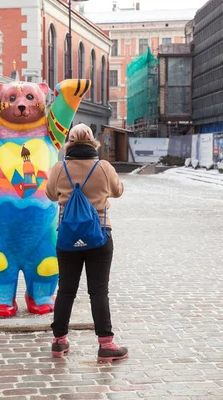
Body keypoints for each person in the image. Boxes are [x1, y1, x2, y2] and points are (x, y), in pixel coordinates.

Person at [46, 123, 127, 363]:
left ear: (69, 142)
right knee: (99, 291)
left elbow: (51, 194)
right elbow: (118, 191)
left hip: (68, 237)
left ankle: (59, 342)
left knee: (66, 290)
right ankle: (106, 345)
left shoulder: (59, 168)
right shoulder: (103, 167)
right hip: (99, 235)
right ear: (92, 141)